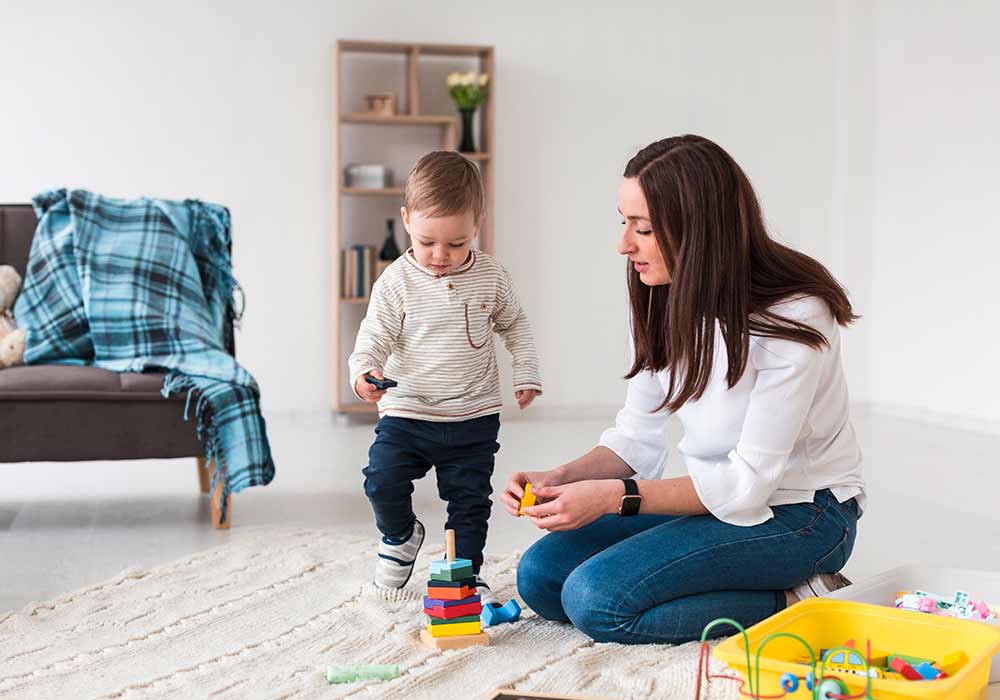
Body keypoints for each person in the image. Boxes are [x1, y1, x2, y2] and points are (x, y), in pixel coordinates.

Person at [503, 135, 865, 644]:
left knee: (597, 601)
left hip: (804, 515)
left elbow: (747, 485)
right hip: (721, 504)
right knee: (542, 578)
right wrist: (561, 476)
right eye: (623, 222)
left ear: (699, 231)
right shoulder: (664, 297)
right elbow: (635, 436)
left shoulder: (795, 315)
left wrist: (612, 497)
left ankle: (804, 597)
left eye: (643, 229)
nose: (624, 244)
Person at [350, 151, 543, 603]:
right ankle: (399, 537)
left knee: (470, 501)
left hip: (472, 415)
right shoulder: (396, 282)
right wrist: (363, 372)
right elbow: (373, 335)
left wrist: (526, 369)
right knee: (382, 479)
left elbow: (515, 323)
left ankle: (465, 571)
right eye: (426, 242)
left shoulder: (491, 276)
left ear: (477, 223)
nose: (440, 256)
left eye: (456, 244)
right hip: (407, 411)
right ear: (405, 221)